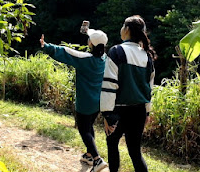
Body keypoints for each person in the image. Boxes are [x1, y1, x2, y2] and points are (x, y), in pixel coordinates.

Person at [40, 28, 109, 172]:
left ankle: (97, 160)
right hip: (98, 102)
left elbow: (67, 52)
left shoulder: (85, 59)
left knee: (84, 130)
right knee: (89, 127)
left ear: (91, 43)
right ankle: (89, 155)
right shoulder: (105, 59)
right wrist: (88, 31)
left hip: (84, 102)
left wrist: (46, 46)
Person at [100, 15, 156, 172]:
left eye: (122, 26)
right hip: (138, 111)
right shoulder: (147, 56)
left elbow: (109, 85)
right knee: (135, 152)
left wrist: (107, 114)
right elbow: (149, 89)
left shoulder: (116, 51)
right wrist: (147, 112)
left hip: (118, 110)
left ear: (127, 29)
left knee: (112, 145)